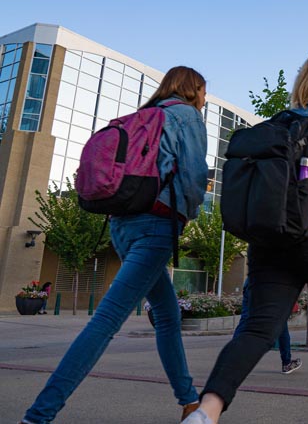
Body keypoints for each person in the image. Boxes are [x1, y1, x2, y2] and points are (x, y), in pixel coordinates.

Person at [182, 54, 308, 424]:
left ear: (298, 86)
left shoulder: (274, 125)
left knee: (257, 327)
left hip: (273, 240)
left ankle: (207, 411)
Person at [20, 66, 209, 424]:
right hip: (155, 226)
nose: (204, 98)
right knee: (106, 321)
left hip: (122, 226)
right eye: (203, 91)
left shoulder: (142, 116)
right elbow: (194, 175)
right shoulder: (187, 116)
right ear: (194, 89)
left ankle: (188, 402)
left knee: (167, 315)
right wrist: (188, 213)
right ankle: (37, 416)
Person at [236, 278, 301, 374]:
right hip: (271, 285)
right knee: (282, 324)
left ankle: (232, 360)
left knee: (245, 320)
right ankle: (286, 363)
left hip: (252, 282)